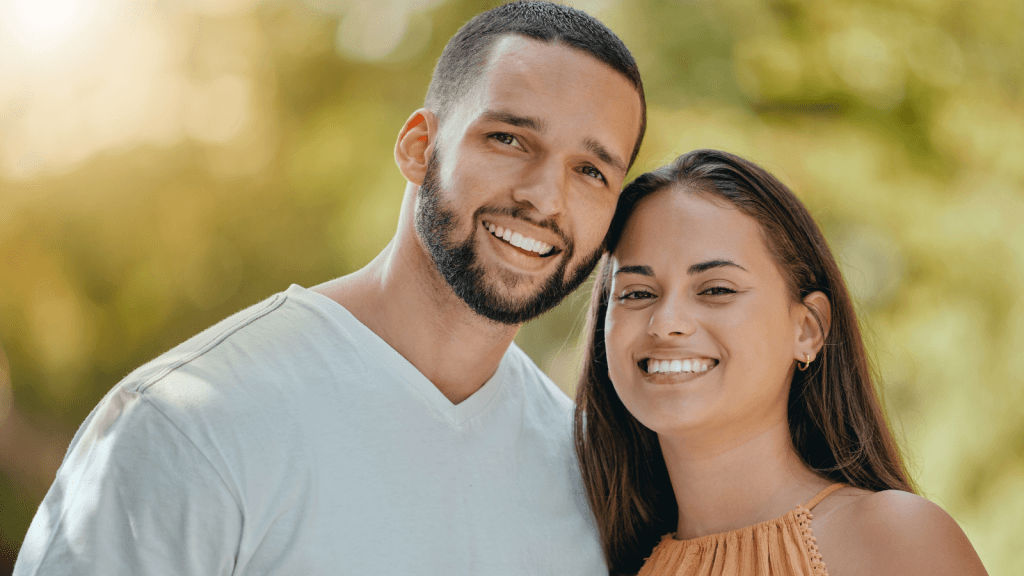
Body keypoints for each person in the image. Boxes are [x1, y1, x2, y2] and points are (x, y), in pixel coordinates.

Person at [14, 3, 645, 574]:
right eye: (508, 138)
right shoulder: (188, 426)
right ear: (420, 147)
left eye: (590, 170)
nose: (544, 195)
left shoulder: (593, 478)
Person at [574, 149, 988, 576]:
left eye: (716, 289)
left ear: (808, 328)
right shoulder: (599, 560)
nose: (666, 323)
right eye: (637, 293)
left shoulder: (896, 539)